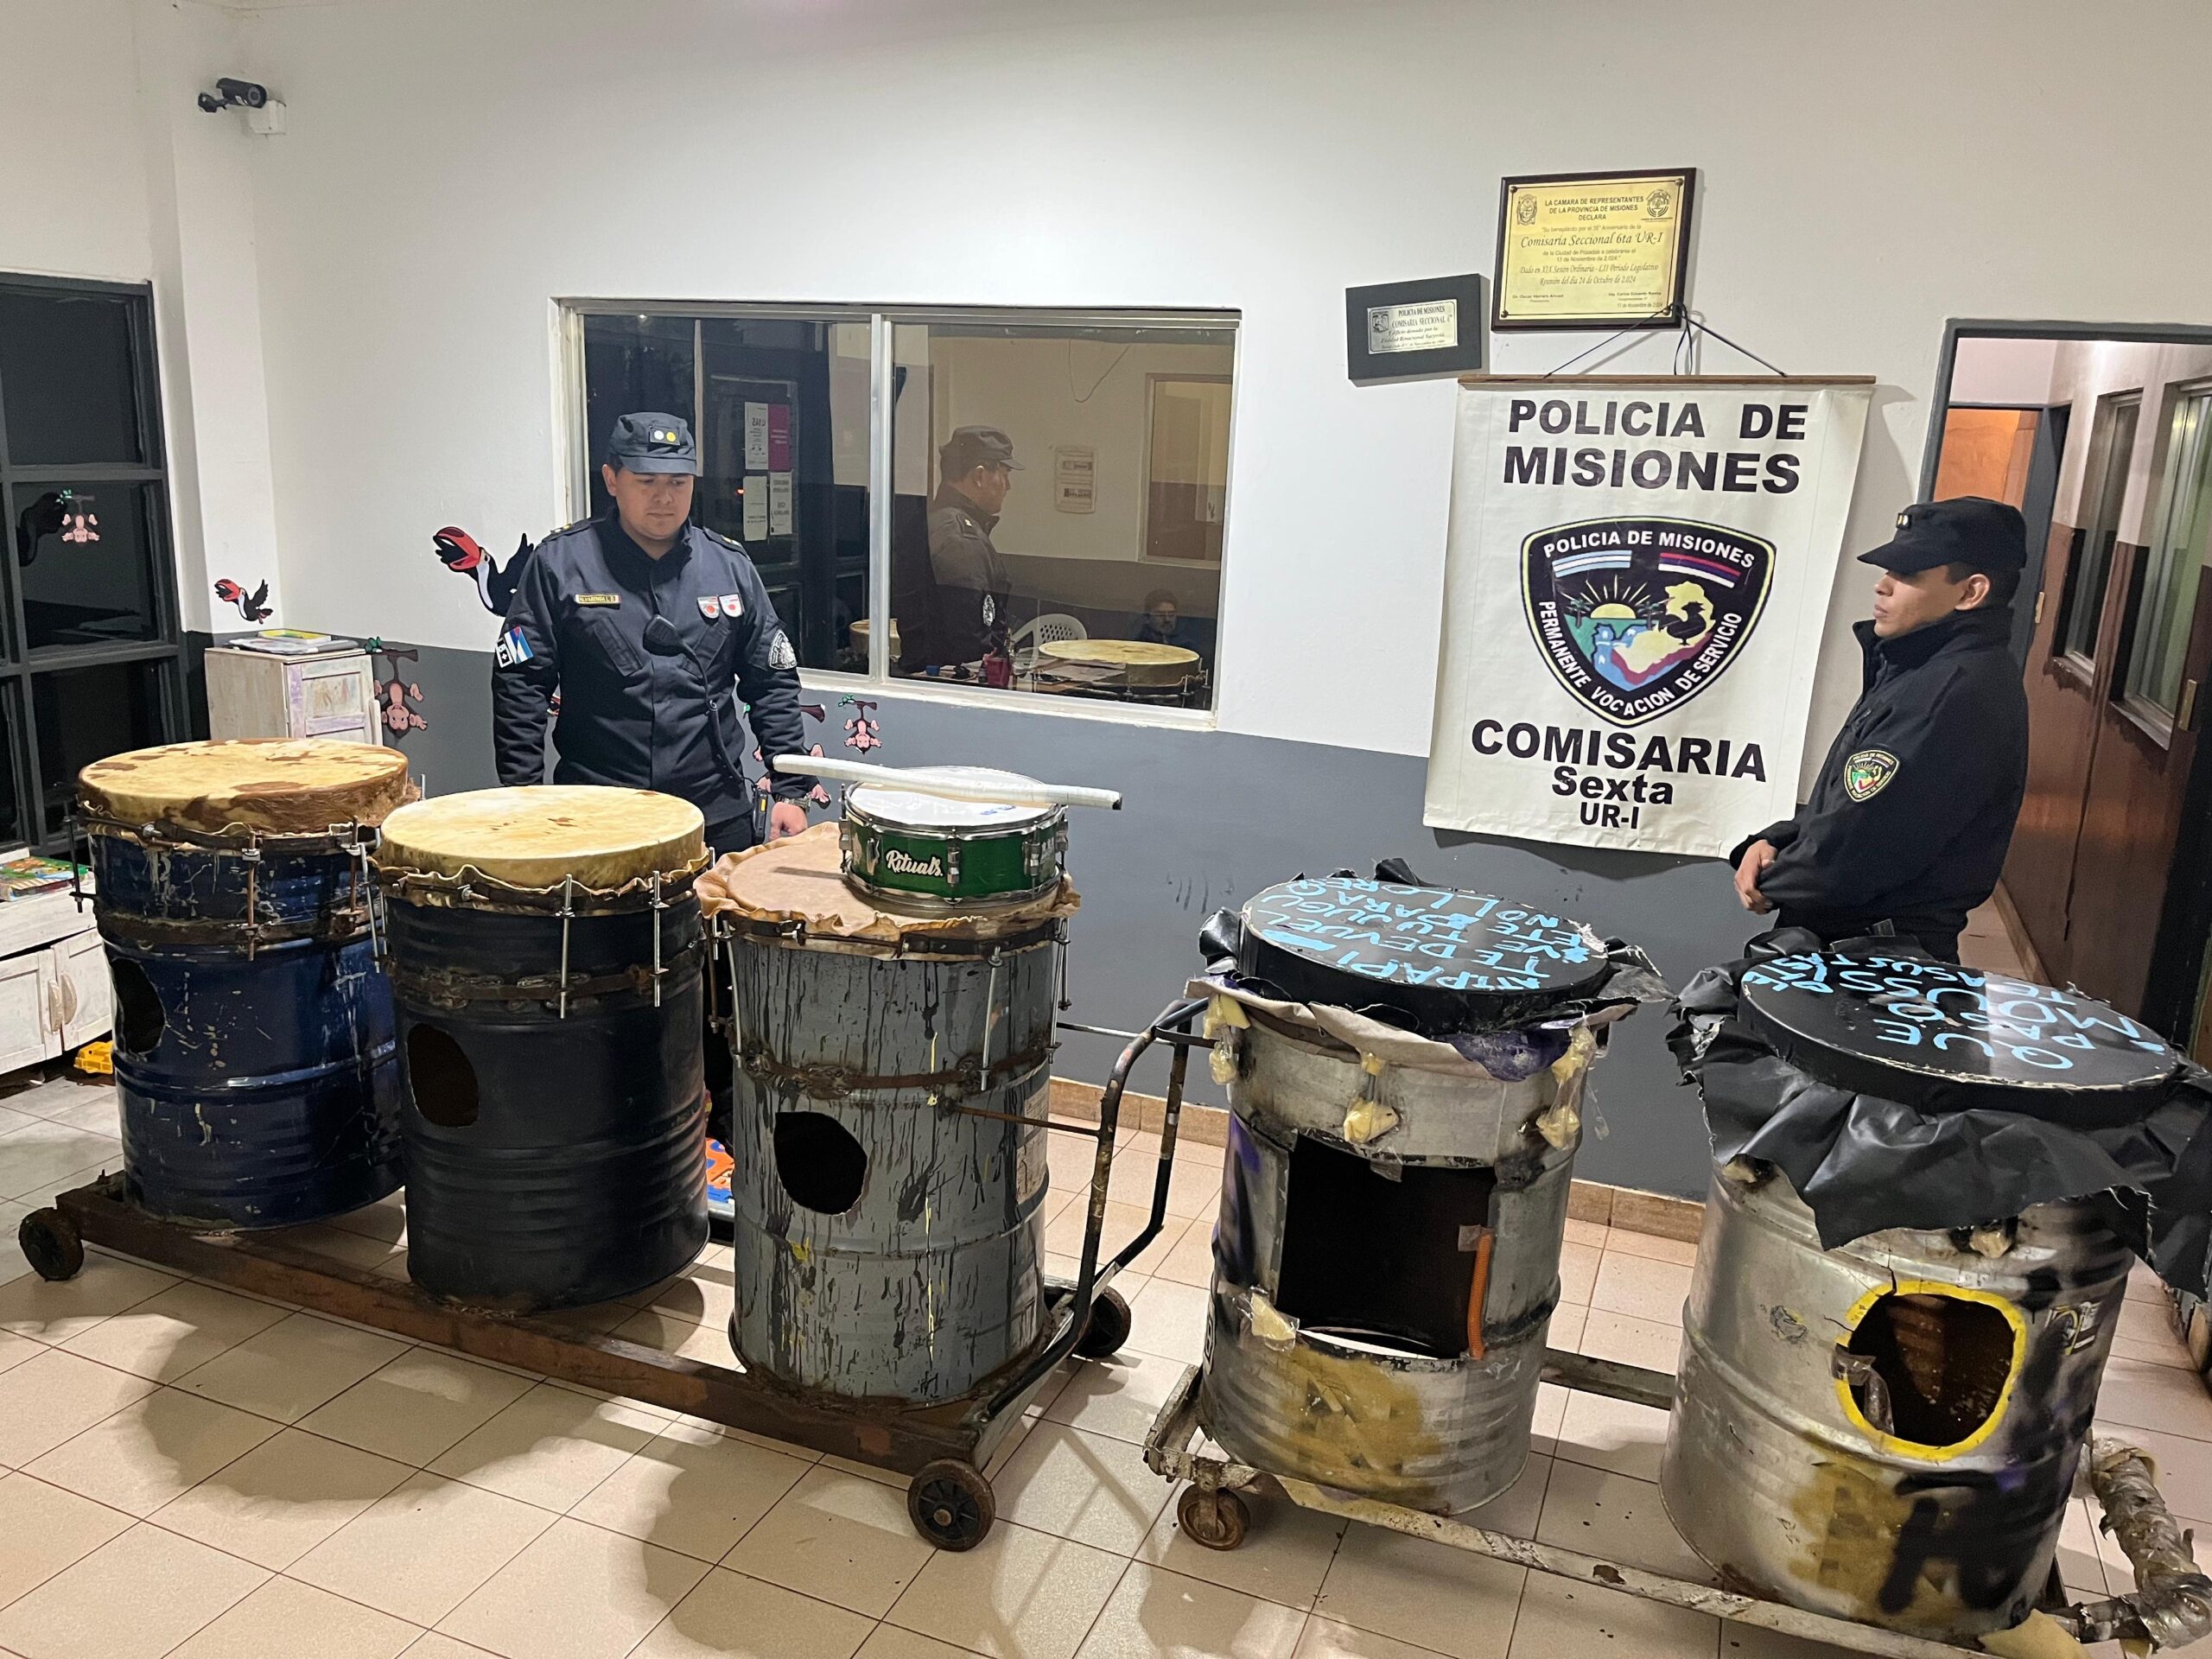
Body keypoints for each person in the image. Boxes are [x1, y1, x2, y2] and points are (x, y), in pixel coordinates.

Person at [493, 411, 815, 1140]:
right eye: (646, 481)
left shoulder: (728, 566)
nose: (664, 497)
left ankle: (729, 1132)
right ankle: (623, 1131)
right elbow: (520, 682)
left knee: (724, 981)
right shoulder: (563, 564)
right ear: (612, 480)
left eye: (678, 482)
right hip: (601, 816)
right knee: (609, 980)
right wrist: (521, 797)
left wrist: (790, 789)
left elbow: (771, 680)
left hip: (712, 811)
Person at [1729, 496, 2029, 963]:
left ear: (1971, 592)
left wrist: (1769, 877)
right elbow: (1849, 803)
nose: (1883, 585)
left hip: (1873, 961)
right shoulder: (1919, 668)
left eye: (1907, 574)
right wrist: (1774, 841)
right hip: (1855, 944)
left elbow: (1850, 855)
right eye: (1889, 569)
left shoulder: (1946, 695)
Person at [925, 425, 1020, 667]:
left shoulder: (942, 521)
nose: (1008, 486)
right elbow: (972, 640)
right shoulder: (960, 538)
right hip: (957, 678)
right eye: (1004, 474)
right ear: (979, 476)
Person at [1135, 588, 1204, 657]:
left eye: (1171, 615)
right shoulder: (1139, 645)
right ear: (1147, 617)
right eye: (1161, 615)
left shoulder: (1187, 644)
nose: (1167, 619)